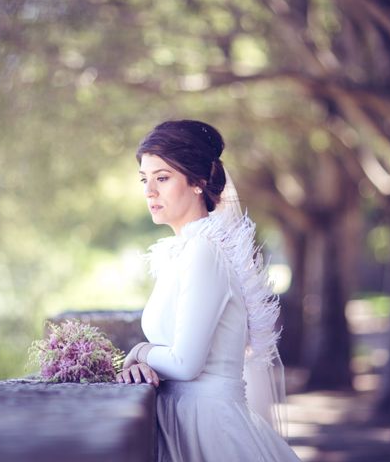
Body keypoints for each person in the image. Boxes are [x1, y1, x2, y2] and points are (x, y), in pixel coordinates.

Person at [116, 120, 301, 462]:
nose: (149, 191)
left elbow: (185, 365)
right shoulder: (187, 251)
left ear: (198, 182)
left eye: (162, 177)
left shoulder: (205, 251)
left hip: (209, 430)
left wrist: (140, 351)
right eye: (145, 179)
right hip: (184, 420)